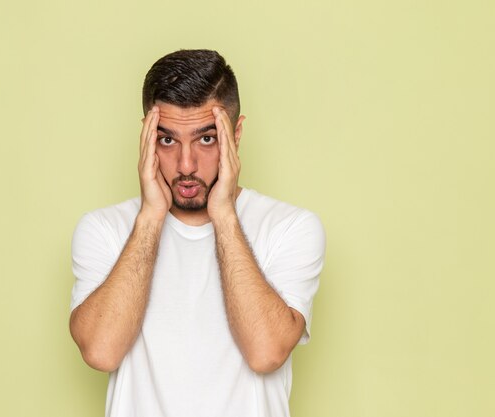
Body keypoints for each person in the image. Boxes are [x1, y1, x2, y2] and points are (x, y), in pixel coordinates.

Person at [69, 49, 325, 417]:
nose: (186, 165)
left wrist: (223, 213)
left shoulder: (291, 228)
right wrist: (151, 217)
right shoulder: (105, 229)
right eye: (167, 140)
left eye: (206, 139)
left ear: (235, 136)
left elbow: (266, 353)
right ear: (146, 137)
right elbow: (101, 351)